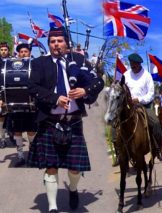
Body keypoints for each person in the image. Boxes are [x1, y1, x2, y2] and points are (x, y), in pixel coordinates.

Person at [27, 27, 104, 213]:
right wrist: (55, 99)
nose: (56, 45)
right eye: (52, 41)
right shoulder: (40, 63)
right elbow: (32, 86)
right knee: (51, 166)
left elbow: (98, 81)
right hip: (50, 121)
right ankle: (53, 207)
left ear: (66, 43)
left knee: (75, 168)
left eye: (59, 41)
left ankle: (73, 188)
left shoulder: (78, 60)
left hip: (73, 121)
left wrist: (85, 91)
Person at [123, 53, 162, 161]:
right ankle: (120, 151)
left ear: (139, 64)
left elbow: (151, 94)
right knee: (115, 123)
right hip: (127, 106)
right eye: (131, 64)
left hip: (143, 106)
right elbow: (121, 88)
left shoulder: (147, 75)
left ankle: (158, 148)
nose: (133, 66)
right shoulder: (126, 75)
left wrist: (139, 99)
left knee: (155, 123)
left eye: (135, 64)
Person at [4, 43, 37, 167]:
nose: (23, 53)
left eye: (26, 51)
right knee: (17, 131)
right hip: (15, 103)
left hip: (30, 104)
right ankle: (20, 156)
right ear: (18, 53)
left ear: (29, 52)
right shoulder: (11, 67)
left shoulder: (34, 64)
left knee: (31, 131)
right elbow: (5, 82)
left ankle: (33, 154)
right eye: (21, 52)